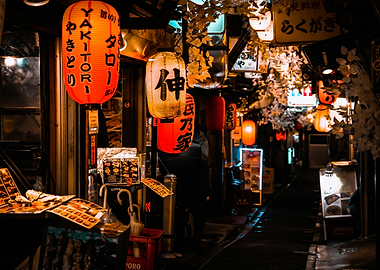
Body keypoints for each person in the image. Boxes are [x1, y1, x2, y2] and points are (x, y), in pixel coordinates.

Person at [158, 130, 211, 250]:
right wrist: (206, 184)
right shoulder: (198, 137)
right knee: (198, 207)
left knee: (176, 207)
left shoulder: (164, 136)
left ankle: (179, 237)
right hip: (193, 179)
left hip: (170, 178)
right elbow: (204, 161)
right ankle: (195, 236)